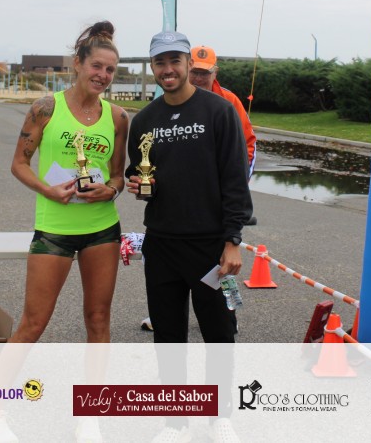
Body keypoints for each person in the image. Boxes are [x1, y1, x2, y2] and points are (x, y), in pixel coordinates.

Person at [0, 20, 128, 443]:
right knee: (33, 322)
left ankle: (90, 416)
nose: (102, 75)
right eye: (96, 66)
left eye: (110, 70)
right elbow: (19, 163)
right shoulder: (46, 107)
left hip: (101, 229)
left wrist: (111, 190)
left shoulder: (118, 117)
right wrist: (48, 189)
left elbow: (118, 174)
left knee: (98, 320)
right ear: (78, 64)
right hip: (54, 229)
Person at [126, 30, 253, 443]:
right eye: (160, 63)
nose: (168, 69)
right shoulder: (144, 120)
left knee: (220, 332)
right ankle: (175, 421)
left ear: (187, 64)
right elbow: (142, 175)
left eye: (174, 61)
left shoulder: (219, 111)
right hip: (162, 243)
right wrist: (138, 184)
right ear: (153, 67)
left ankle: (220, 417)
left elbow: (234, 179)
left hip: (211, 246)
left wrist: (233, 240)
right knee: (168, 335)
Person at [189, 45, 257, 176]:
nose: (198, 78)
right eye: (194, 72)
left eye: (205, 73)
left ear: (215, 73)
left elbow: (248, 143)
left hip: (222, 181)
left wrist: (241, 179)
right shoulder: (172, 100)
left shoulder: (230, 101)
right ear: (186, 70)